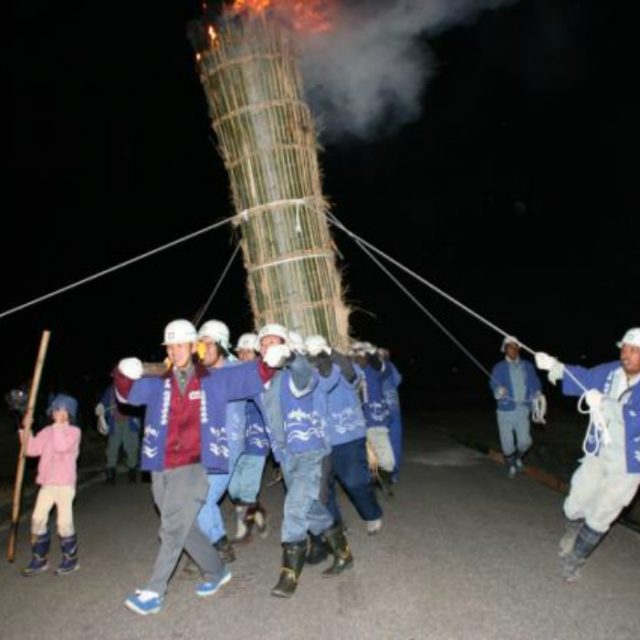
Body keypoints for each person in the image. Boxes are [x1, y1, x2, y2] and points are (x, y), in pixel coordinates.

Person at [113, 319, 263, 615]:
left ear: (194, 346)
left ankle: (155, 592)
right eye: (170, 345)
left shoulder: (214, 378)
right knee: (181, 525)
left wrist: (270, 362)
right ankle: (217, 570)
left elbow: (252, 376)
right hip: (160, 461)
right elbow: (126, 394)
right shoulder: (159, 381)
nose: (174, 349)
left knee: (171, 527)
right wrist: (122, 373)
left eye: (180, 344)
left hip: (196, 464)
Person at [535, 327, 640, 581]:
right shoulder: (611, 371)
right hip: (598, 452)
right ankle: (571, 532)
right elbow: (583, 377)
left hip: (628, 463)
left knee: (603, 513)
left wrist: (604, 404)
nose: (626, 354)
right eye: (624, 348)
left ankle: (576, 559)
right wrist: (555, 367)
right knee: (574, 505)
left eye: (634, 350)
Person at [258, 323, 354, 598]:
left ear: (286, 344)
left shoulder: (296, 372)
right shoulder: (269, 380)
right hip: (287, 458)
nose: (267, 347)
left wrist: (290, 358)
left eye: (273, 341)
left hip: (311, 453)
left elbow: (305, 378)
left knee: (294, 509)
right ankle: (344, 553)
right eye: (263, 343)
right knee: (313, 512)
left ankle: (289, 577)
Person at [306, 334, 383, 553]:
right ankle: (336, 526)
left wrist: (331, 353)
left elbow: (352, 376)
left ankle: (372, 513)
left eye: (320, 353)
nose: (317, 358)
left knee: (354, 481)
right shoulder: (308, 373)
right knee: (323, 490)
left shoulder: (344, 368)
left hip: (347, 436)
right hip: (318, 440)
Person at [20, 393, 82, 576]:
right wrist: (26, 428)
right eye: (55, 409)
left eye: (61, 409)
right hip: (47, 483)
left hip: (64, 485)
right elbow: (30, 450)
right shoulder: (47, 432)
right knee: (37, 519)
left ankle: (70, 559)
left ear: (69, 413)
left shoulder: (74, 432)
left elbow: (61, 446)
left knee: (64, 522)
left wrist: (58, 426)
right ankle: (40, 559)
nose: (57, 412)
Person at [226, 332, 269, 542]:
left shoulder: (265, 374)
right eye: (240, 352)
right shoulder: (231, 374)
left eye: (248, 352)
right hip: (235, 437)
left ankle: (243, 530)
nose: (243, 356)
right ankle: (256, 509)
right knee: (233, 488)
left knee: (248, 487)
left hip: (258, 437)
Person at [489, 336, 543, 478]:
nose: (512, 349)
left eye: (514, 346)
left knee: (525, 441)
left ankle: (516, 459)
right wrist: (498, 391)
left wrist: (537, 391)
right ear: (505, 349)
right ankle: (511, 463)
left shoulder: (527, 365)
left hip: (523, 408)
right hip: (505, 410)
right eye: (509, 347)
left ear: (518, 348)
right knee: (507, 446)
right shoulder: (499, 367)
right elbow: (493, 384)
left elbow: (535, 381)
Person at [351, 341, 396, 484]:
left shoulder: (374, 370)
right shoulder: (352, 370)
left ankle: (385, 473)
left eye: (361, 355)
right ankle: (369, 475)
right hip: (356, 420)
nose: (358, 358)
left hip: (375, 418)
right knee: (362, 451)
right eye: (356, 355)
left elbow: (383, 367)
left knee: (383, 450)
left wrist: (372, 354)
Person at [95, 384, 141, 484]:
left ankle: (132, 474)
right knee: (112, 449)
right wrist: (100, 408)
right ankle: (111, 476)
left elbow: (140, 403)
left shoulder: (133, 387)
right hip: (114, 423)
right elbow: (104, 406)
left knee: (132, 448)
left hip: (130, 423)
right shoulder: (110, 390)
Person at [378, 347, 404, 484]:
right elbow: (398, 380)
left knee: (384, 442)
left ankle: (389, 473)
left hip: (384, 413)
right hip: (391, 411)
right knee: (392, 443)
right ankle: (391, 473)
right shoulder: (390, 366)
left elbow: (398, 379)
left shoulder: (376, 367)